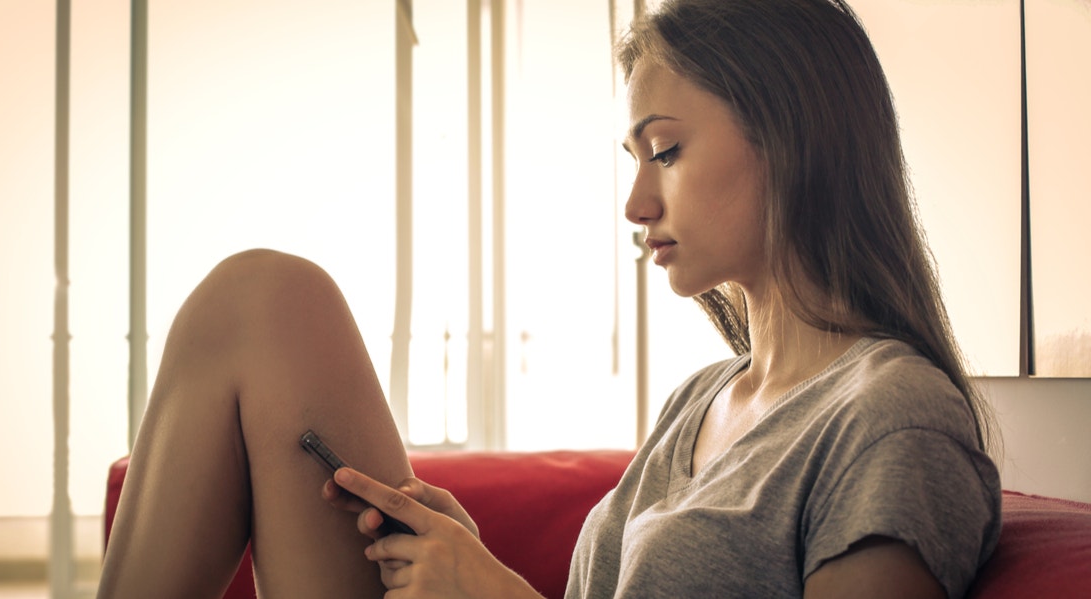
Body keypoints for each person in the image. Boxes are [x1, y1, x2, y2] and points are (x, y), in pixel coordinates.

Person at [98, 0, 1002, 597]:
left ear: (791, 136)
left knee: (269, 300)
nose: (637, 204)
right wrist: (475, 563)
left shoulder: (892, 420)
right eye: (635, 159)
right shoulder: (703, 400)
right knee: (258, 301)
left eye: (668, 151)